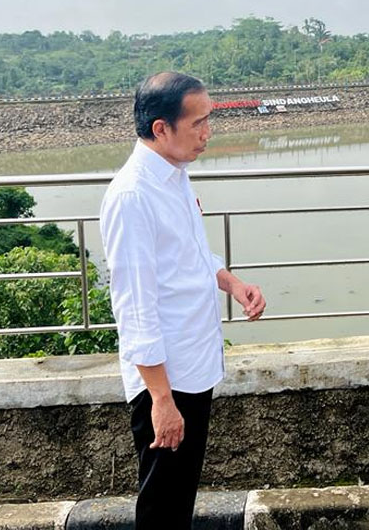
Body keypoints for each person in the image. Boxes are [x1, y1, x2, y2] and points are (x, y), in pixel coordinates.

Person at [100, 72, 266, 529]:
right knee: (163, 509)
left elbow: (189, 255)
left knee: (178, 500)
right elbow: (134, 307)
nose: (207, 133)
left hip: (192, 367)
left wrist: (231, 283)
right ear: (161, 129)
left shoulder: (174, 176)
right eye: (199, 123)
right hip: (166, 378)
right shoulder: (133, 195)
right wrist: (161, 399)